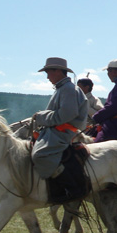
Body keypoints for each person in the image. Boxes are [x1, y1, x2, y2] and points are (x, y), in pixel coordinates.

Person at [32, 57, 89, 203]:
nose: (47, 76)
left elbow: (66, 115)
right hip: (56, 130)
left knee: (40, 154)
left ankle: (71, 189)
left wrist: (41, 117)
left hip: (62, 132)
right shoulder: (62, 88)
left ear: (58, 71)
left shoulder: (68, 89)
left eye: (48, 72)